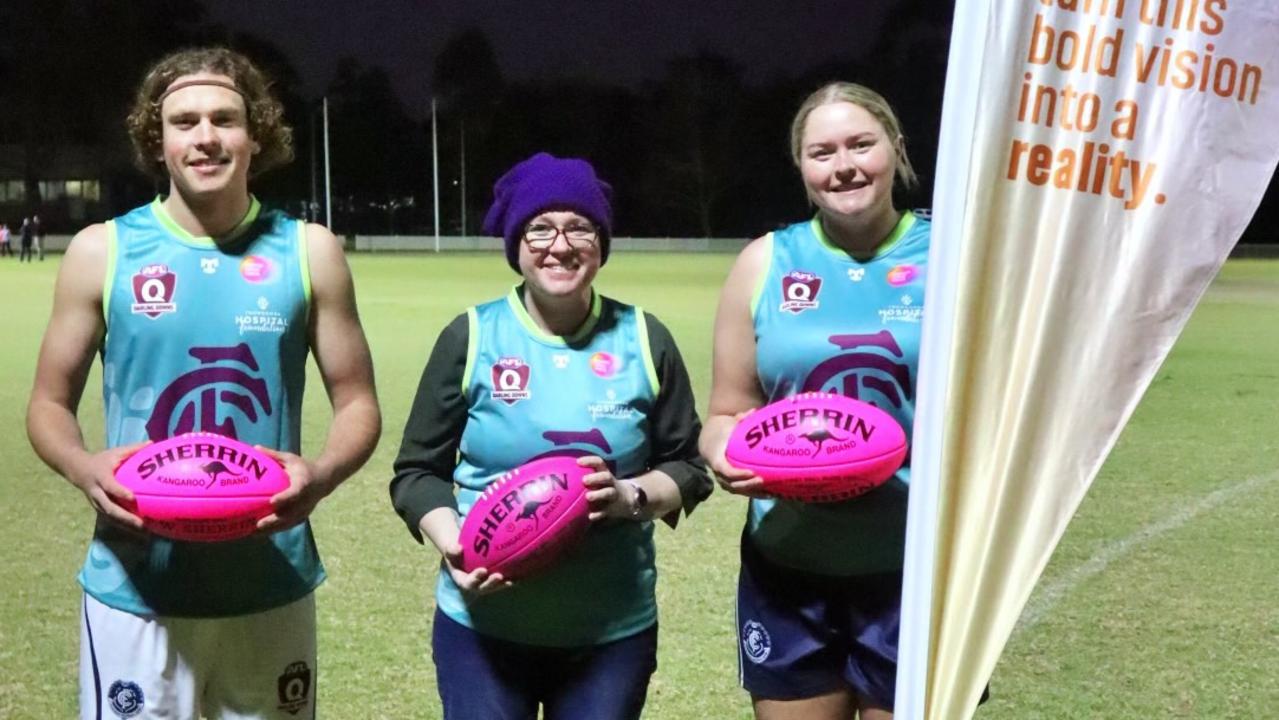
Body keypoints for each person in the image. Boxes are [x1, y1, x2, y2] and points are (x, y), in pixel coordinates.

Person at [26, 47, 381, 720]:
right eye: (184, 121)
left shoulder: (309, 252)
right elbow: (47, 403)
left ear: (257, 135)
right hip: (138, 581)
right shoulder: (103, 251)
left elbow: (357, 401)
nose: (206, 136)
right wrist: (82, 465)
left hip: (268, 577)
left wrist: (324, 473)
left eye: (225, 118)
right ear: (156, 142)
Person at [390, 152, 712, 720]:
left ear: (601, 242)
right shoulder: (470, 336)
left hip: (610, 632)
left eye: (578, 228)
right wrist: (455, 547)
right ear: (515, 243)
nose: (559, 246)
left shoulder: (645, 338)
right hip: (482, 629)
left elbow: (687, 466)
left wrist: (630, 498)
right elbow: (416, 473)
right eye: (539, 228)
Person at [698, 82, 929, 720]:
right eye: (822, 152)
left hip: (915, 571)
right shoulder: (764, 263)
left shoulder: (954, 258)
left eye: (862, 144)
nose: (844, 165)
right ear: (801, 166)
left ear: (896, 149)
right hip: (789, 567)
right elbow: (725, 412)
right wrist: (723, 454)